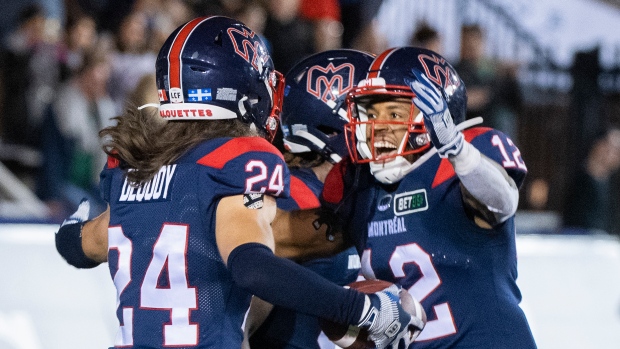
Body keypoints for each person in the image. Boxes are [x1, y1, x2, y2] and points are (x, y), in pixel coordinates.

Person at [53, 16, 422, 349]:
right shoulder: (234, 159)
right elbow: (252, 265)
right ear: (240, 89)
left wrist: (70, 227)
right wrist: (363, 309)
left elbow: (77, 246)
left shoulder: (133, 174)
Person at [323, 46, 536, 347]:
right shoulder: (361, 188)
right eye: (371, 113)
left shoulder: (462, 162)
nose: (378, 127)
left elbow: (504, 202)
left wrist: (458, 150)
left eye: (393, 113)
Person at [246, 49, 375, 349]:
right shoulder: (291, 195)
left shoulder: (368, 193)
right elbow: (239, 317)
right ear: (335, 124)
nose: (387, 125)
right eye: (376, 112)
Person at [562, 127, 620, 236]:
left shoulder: (613, 186)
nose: (616, 155)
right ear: (599, 146)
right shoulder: (580, 182)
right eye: (614, 149)